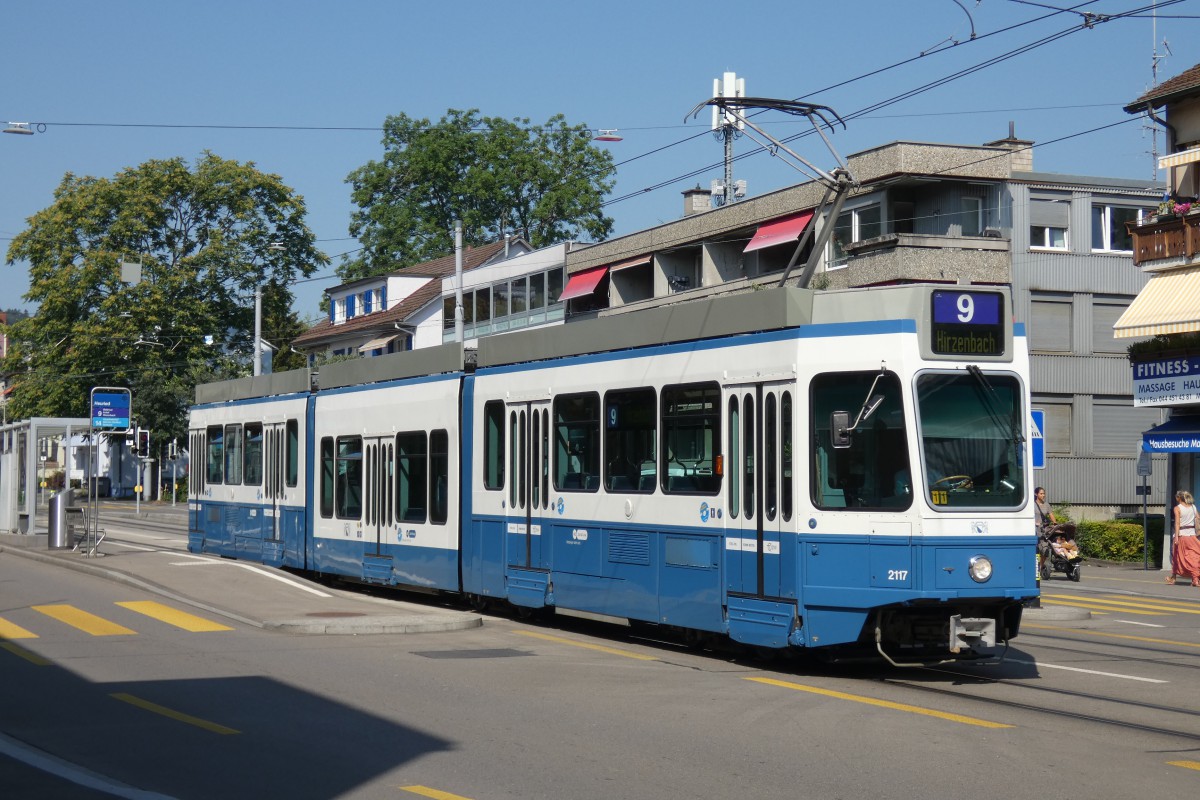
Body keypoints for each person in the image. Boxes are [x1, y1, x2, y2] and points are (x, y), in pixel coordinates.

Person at [1167, 490, 1200, 587]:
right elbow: (1198, 518)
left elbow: (1177, 523)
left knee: (1177, 557)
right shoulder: (1193, 507)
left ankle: (1173, 579)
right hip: (1192, 536)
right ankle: (1195, 579)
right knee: (1194, 556)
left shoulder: (1177, 508)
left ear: (1179, 498)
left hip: (1182, 535)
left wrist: (1176, 537)